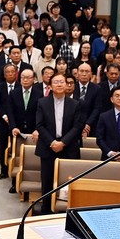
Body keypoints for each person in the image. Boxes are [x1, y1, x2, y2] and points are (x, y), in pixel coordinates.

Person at [33, 72, 83, 211]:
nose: (60, 84)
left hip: (68, 147)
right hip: (48, 147)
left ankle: (66, 212)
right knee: (47, 182)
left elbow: (77, 126)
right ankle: (46, 211)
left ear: (67, 85)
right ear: (50, 86)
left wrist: (63, 143)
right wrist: (52, 143)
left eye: (62, 82)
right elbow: (39, 125)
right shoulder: (42, 102)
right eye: (56, 82)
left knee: (68, 182)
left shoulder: (75, 104)